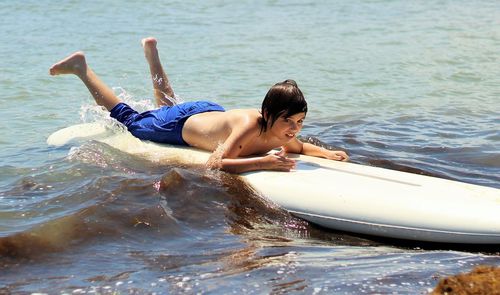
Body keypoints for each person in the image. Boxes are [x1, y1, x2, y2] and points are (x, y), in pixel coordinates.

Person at [49, 37, 349, 173]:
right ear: (268, 114)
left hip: (207, 113)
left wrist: (326, 152)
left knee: (167, 104)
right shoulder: (249, 128)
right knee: (131, 121)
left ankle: (151, 54)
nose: (294, 129)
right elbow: (217, 163)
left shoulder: (281, 129)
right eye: (289, 122)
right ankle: (82, 69)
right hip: (181, 126)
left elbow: (300, 147)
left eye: (300, 122)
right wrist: (263, 162)